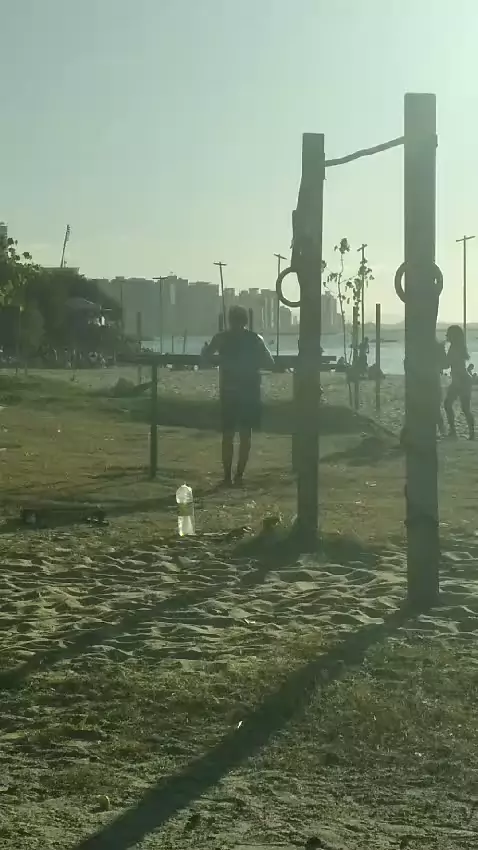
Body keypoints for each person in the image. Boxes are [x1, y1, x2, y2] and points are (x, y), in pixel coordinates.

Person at [203, 305, 275, 485]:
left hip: (230, 392)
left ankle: (229, 476)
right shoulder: (255, 339)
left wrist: (219, 359)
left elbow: (206, 357)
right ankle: (238, 476)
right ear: (246, 321)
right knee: (244, 436)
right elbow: (269, 362)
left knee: (229, 436)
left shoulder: (221, 338)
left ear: (230, 320)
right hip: (249, 392)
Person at [444, 325, 474, 440]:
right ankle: (471, 434)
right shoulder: (459, 347)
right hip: (463, 379)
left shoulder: (454, 348)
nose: (447, 336)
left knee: (448, 404)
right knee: (465, 408)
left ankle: (453, 431)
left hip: (460, 379)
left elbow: (447, 364)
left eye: (449, 334)